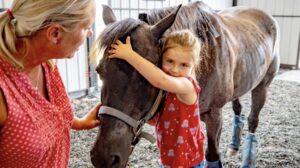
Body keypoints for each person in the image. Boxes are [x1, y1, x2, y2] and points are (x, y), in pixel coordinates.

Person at [0, 0, 100, 167]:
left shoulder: (47, 64)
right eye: (86, 27)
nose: (90, 33)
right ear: (55, 33)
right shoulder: (4, 90)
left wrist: (79, 122)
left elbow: (48, 113)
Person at [108, 29, 205, 168]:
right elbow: (160, 120)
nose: (175, 70)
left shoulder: (187, 86)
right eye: (169, 61)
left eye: (184, 65)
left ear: (194, 66)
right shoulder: (168, 89)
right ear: (162, 58)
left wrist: (129, 55)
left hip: (188, 163)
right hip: (169, 160)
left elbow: (160, 80)